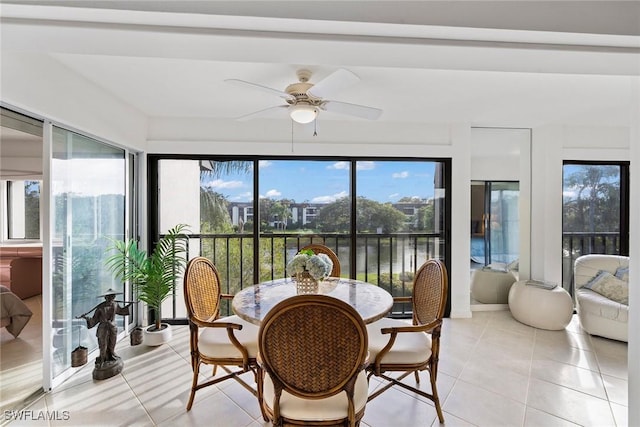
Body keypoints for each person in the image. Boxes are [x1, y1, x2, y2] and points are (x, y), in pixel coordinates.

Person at [79, 289, 131, 368]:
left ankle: (111, 355)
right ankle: (102, 359)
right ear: (105, 298)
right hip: (103, 328)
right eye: (109, 297)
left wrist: (128, 306)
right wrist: (86, 318)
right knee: (103, 345)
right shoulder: (100, 307)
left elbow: (121, 311)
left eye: (113, 297)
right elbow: (94, 319)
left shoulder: (115, 304)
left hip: (113, 327)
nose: (111, 298)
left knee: (112, 343)